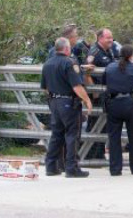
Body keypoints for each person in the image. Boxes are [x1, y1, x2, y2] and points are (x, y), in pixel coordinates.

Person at [41, 37, 93, 178]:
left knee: (56, 134)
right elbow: (77, 86)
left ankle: (51, 166)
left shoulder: (47, 64)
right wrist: (87, 100)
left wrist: (54, 97)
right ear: (66, 48)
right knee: (72, 135)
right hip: (68, 103)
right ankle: (72, 168)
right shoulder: (69, 63)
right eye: (69, 46)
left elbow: (44, 88)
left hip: (54, 102)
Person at [102, 45, 133, 176]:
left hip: (113, 104)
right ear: (131, 56)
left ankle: (115, 169)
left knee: (114, 137)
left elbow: (104, 83)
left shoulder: (110, 67)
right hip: (130, 103)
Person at [85, 28, 116, 160]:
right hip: (98, 95)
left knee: (103, 126)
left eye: (111, 37)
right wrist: (94, 91)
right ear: (100, 38)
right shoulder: (94, 52)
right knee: (95, 124)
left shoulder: (109, 50)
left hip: (107, 93)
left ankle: (99, 154)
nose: (111, 40)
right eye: (108, 38)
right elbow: (87, 73)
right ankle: (91, 154)